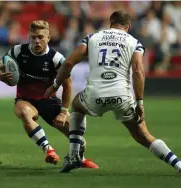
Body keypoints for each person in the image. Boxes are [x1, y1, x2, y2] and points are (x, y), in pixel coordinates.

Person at [44, 11, 181, 173]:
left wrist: (55, 85)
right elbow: (138, 71)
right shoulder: (134, 42)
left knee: (77, 105)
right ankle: (178, 165)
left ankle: (74, 155)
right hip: (121, 95)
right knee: (143, 135)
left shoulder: (92, 38)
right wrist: (140, 103)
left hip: (94, 94)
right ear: (128, 27)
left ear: (110, 23)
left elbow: (68, 63)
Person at [0, 20, 98, 169]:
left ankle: (79, 159)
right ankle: (48, 149)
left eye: (41, 37)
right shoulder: (18, 51)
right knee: (24, 113)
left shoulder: (56, 59)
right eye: (33, 37)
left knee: (76, 135)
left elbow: (67, 85)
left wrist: (63, 112)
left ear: (48, 37)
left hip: (49, 101)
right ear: (29, 37)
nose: (37, 41)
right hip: (25, 99)